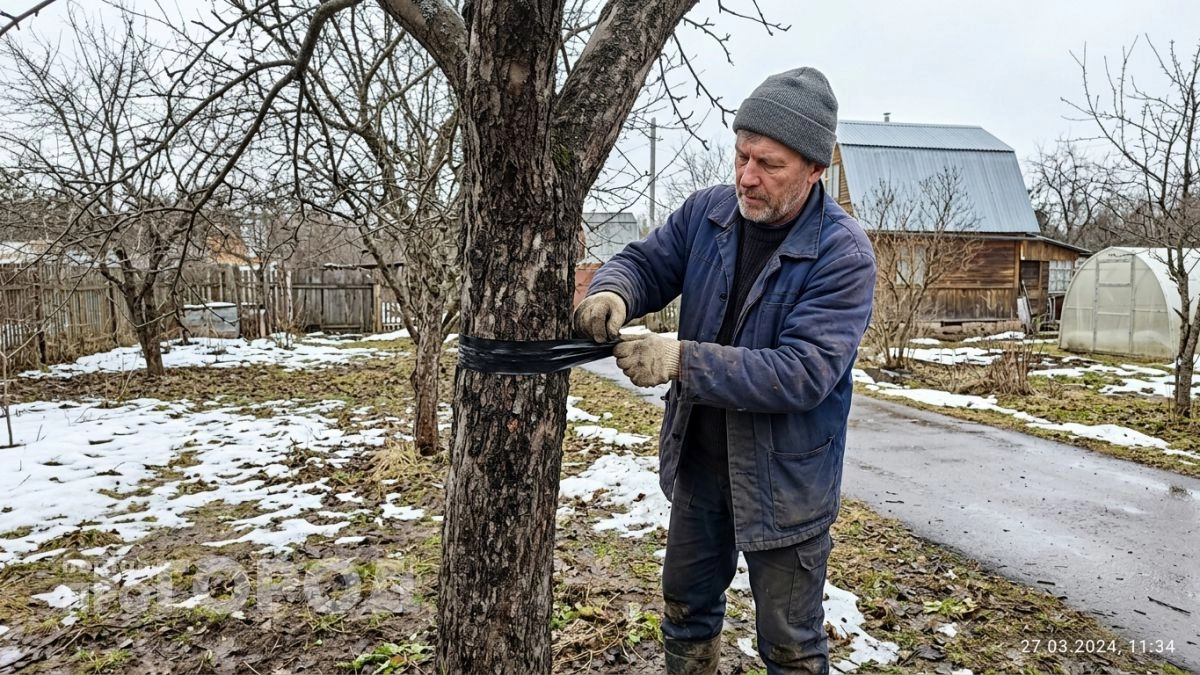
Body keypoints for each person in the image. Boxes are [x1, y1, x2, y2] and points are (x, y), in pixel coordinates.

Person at [573, 67, 876, 674]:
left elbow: (801, 373)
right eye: (741, 155)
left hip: (784, 483)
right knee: (686, 612)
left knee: (790, 644)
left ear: (815, 169)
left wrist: (680, 358)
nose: (747, 176)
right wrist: (614, 292)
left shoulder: (843, 254)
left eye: (769, 164)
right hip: (702, 464)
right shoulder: (709, 213)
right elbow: (647, 261)